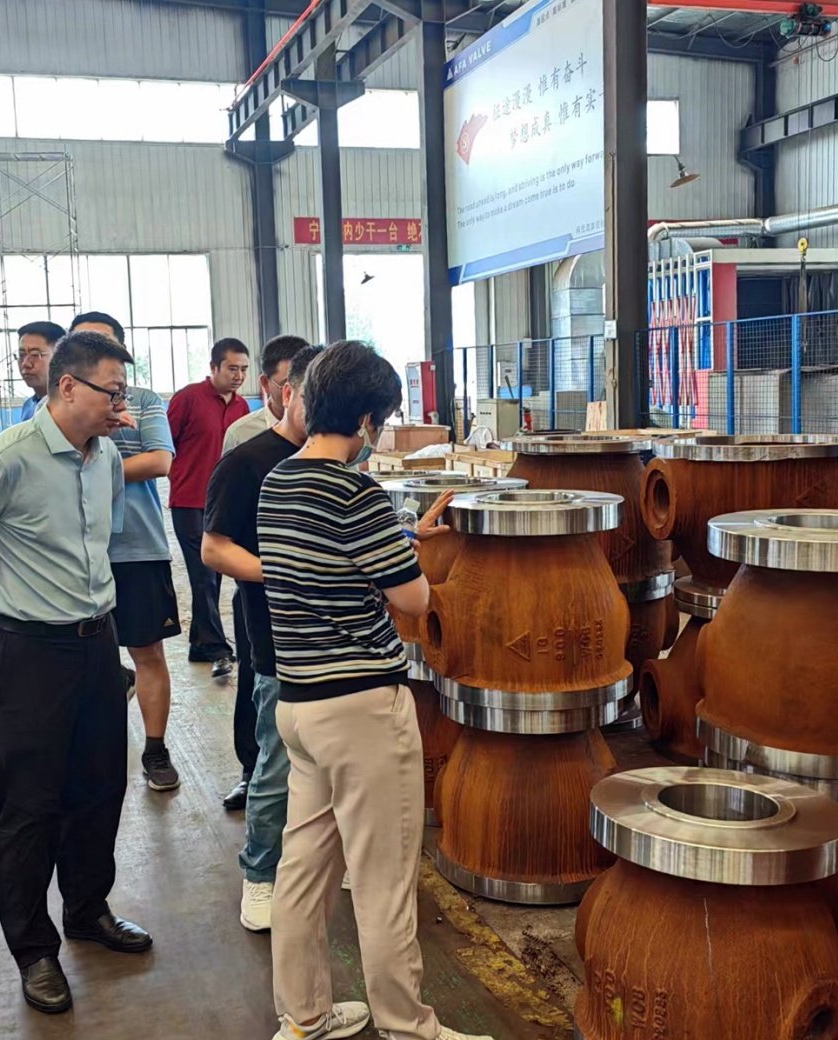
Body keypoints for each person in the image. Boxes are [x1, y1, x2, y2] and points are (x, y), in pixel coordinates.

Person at [258, 341, 490, 1040]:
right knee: (384, 880)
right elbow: (413, 600)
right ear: (366, 420)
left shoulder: (278, 481)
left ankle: (303, 1017)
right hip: (362, 708)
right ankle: (406, 1025)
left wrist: (399, 534)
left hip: (300, 705)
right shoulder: (355, 493)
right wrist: (407, 549)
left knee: (302, 871)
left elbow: (325, 561)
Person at [0, 331, 152, 1015]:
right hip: (27, 650)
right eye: (111, 392)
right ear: (67, 387)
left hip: (96, 643)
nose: (121, 405)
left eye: (122, 392)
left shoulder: (106, 456)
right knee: (30, 804)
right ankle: (33, 950)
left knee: (100, 787)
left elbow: (99, 541)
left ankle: (87, 909)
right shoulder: (6, 459)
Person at [203, 344, 321, 931]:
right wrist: (284, 570)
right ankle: (260, 874)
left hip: (333, 641)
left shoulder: (338, 459)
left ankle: (324, 856)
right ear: (287, 391)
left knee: (331, 762)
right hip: (275, 638)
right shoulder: (246, 461)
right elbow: (214, 549)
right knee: (275, 763)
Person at [70, 311, 182, 792]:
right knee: (78, 657)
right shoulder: (55, 406)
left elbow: (159, 460)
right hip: (76, 551)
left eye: (104, 345)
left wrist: (95, 467)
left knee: (147, 651)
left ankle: (155, 749)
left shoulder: (145, 401)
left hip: (137, 548)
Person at [218, 334, 310, 813]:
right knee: (256, 680)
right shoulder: (245, 441)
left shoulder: (335, 444)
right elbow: (222, 537)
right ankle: (249, 770)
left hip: (310, 610)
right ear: (274, 386)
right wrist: (278, 572)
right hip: (259, 591)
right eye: (290, 384)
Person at [166, 338, 250, 679]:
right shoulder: (187, 399)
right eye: (232, 368)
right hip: (189, 501)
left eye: (244, 369)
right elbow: (165, 446)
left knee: (215, 575)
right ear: (214, 367)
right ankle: (217, 648)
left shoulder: (242, 407)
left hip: (225, 502)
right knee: (203, 575)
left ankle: (200, 644)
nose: (238, 376)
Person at [223, 334, 310, 454]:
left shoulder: (326, 430)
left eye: (306, 384)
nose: (300, 394)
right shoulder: (240, 435)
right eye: (288, 385)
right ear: (265, 383)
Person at [16, 321, 65, 421]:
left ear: (60, 358)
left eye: (35, 355)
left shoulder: (73, 407)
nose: (25, 364)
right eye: (21, 355)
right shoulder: (28, 407)